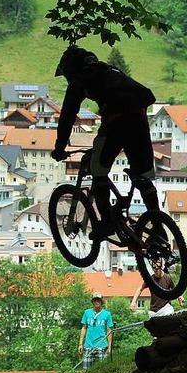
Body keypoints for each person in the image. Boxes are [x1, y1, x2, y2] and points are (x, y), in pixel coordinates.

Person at [51, 45, 158, 239]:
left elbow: (67, 116)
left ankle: (107, 223)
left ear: (71, 70)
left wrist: (59, 148)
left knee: (97, 171)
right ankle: (159, 228)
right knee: (143, 175)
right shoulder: (110, 70)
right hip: (140, 120)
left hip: (117, 122)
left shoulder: (80, 80)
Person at [79, 292, 113, 370]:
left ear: (101, 302)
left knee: (103, 370)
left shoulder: (107, 314)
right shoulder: (87, 312)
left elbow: (109, 330)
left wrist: (110, 346)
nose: (97, 302)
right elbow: (84, 327)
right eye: (95, 300)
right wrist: (80, 344)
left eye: (99, 300)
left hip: (102, 346)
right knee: (86, 371)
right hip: (88, 346)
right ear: (93, 302)